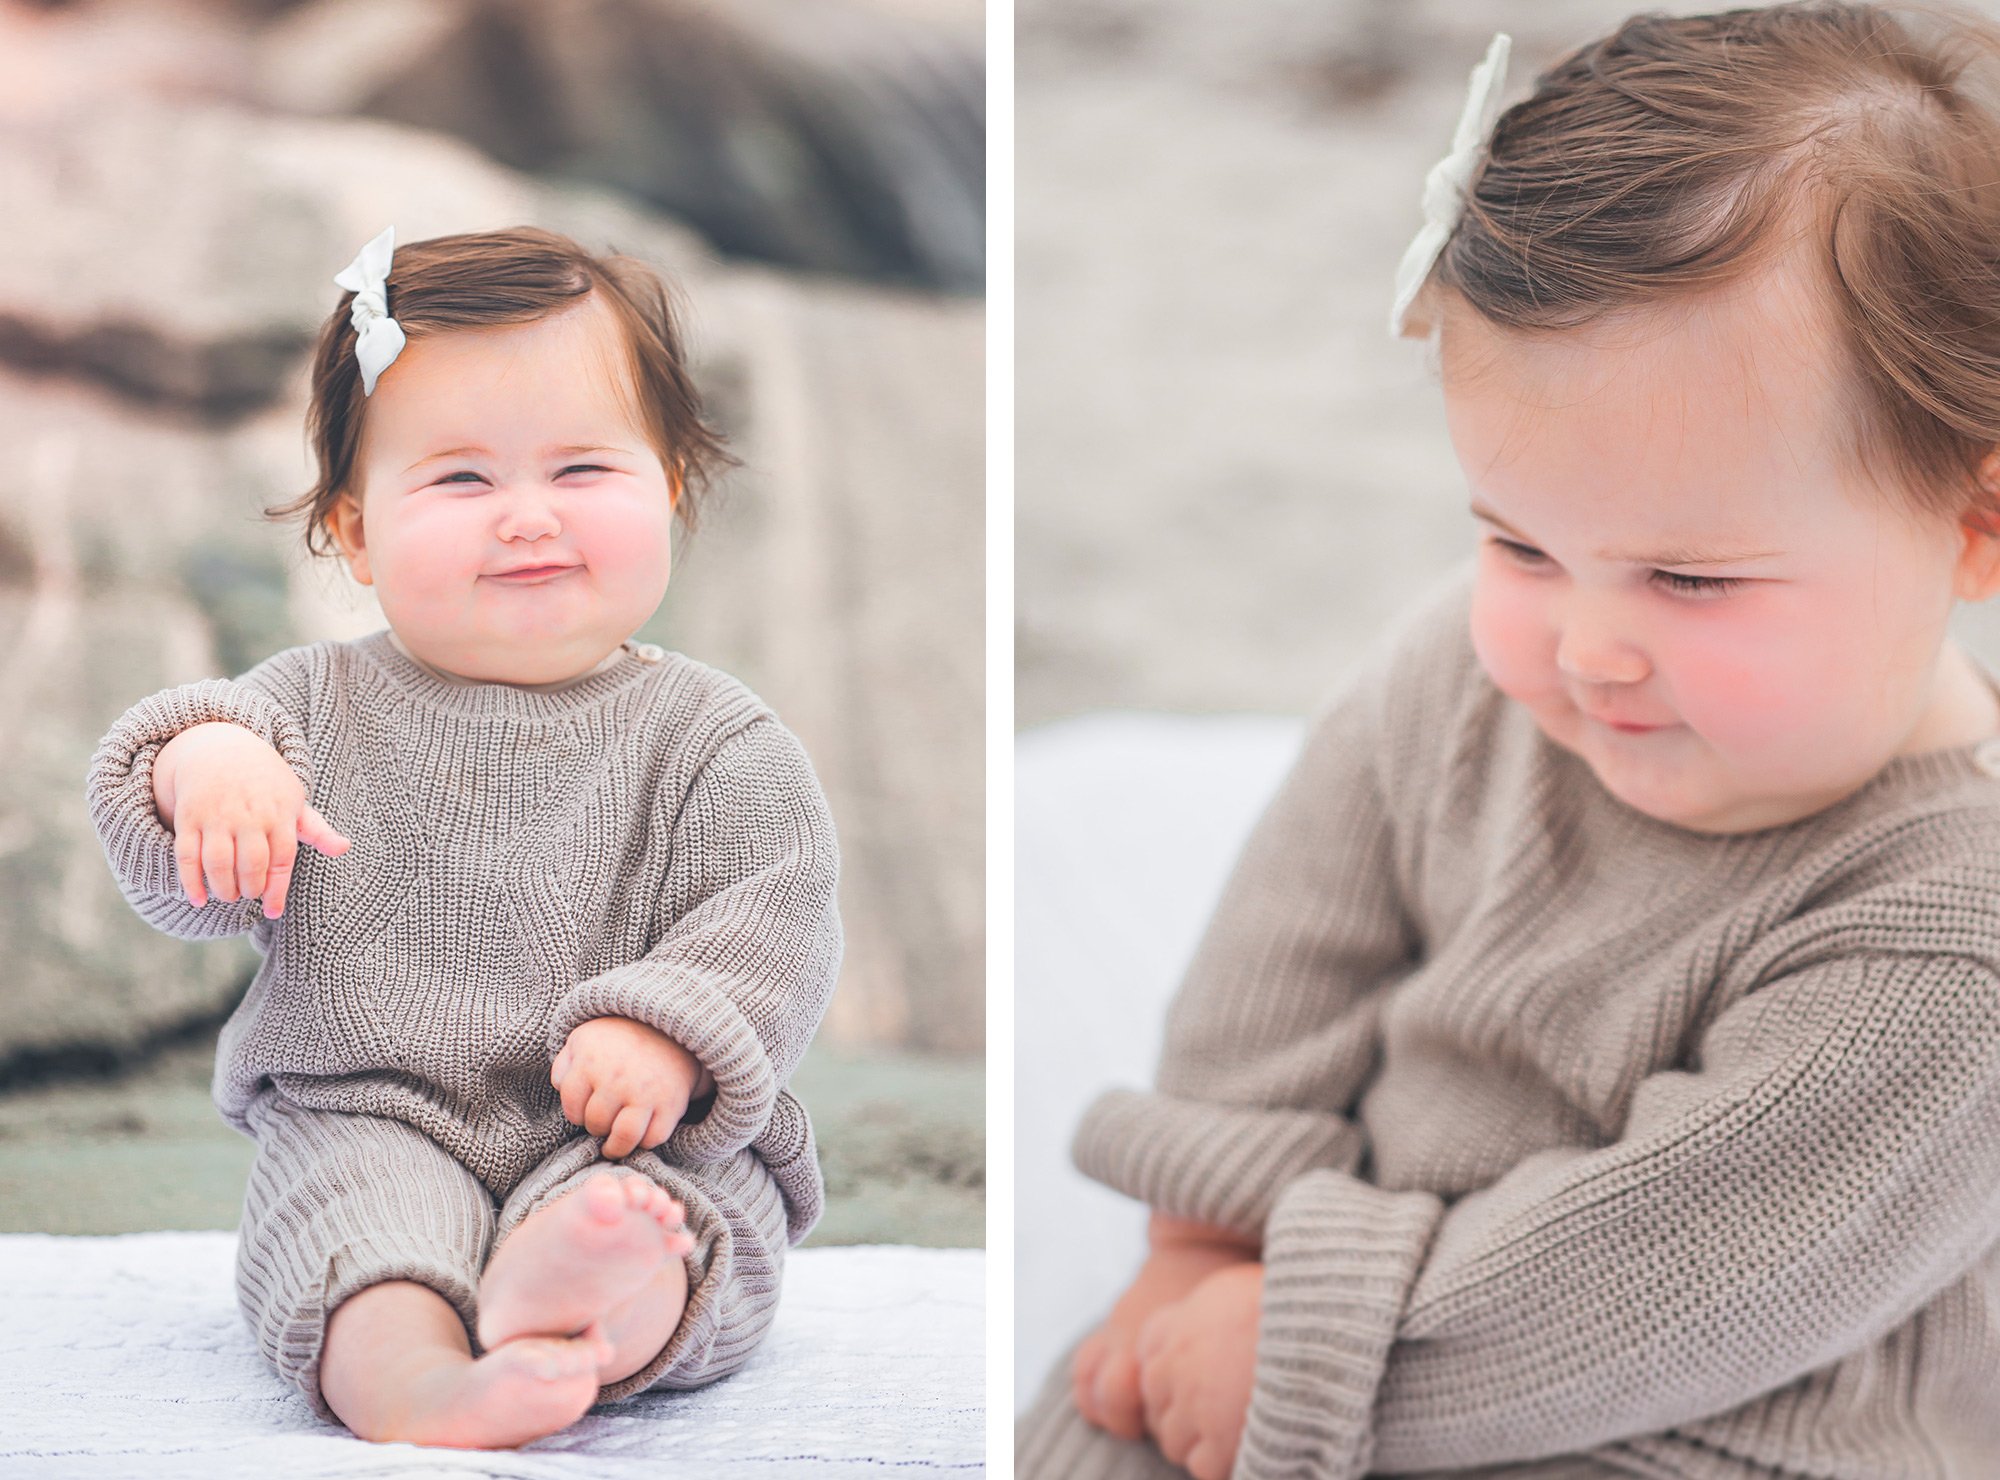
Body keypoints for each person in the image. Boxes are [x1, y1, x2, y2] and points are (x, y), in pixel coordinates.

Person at [1017, 5, 2000, 1477]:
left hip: (1724, 1424)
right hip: (1337, 1297)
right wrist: (1203, 1236)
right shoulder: (1469, 672)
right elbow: (1287, 962)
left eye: (1690, 578)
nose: (1585, 645)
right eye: (1518, 541)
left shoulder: (1947, 949)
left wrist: (1303, 1346)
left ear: (1973, 527)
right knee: (1094, 1427)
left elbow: (1658, 1286)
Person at [83, 224, 842, 1449]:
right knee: (354, 1236)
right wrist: (199, 768)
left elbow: (774, 916)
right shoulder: (304, 710)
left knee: (661, 1224)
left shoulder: (714, 738)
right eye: (462, 480)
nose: (526, 518)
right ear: (355, 531)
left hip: (627, 1124)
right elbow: (182, 868)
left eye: (583, 470)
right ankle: (420, 1379)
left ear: (672, 489)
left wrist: (669, 1030)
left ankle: (569, 1301)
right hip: (370, 1108)